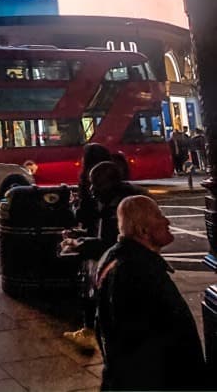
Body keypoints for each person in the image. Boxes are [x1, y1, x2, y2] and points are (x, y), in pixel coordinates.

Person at [94, 195, 208, 391]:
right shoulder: (136, 272)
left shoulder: (122, 259)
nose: (167, 221)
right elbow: (150, 345)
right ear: (143, 230)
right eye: (158, 215)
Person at [60, 160, 145, 352]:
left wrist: (78, 244)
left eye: (95, 183)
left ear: (108, 183)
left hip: (123, 273)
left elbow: (111, 244)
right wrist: (80, 237)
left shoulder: (119, 208)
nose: (92, 189)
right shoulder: (114, 201)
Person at [61, 143, 113, 350]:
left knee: (91, 288)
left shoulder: (92, 183)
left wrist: (75, 206)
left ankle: (89, 331)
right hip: (104, 240)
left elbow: (85, 215)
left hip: (98, 242)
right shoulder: (112, 180)